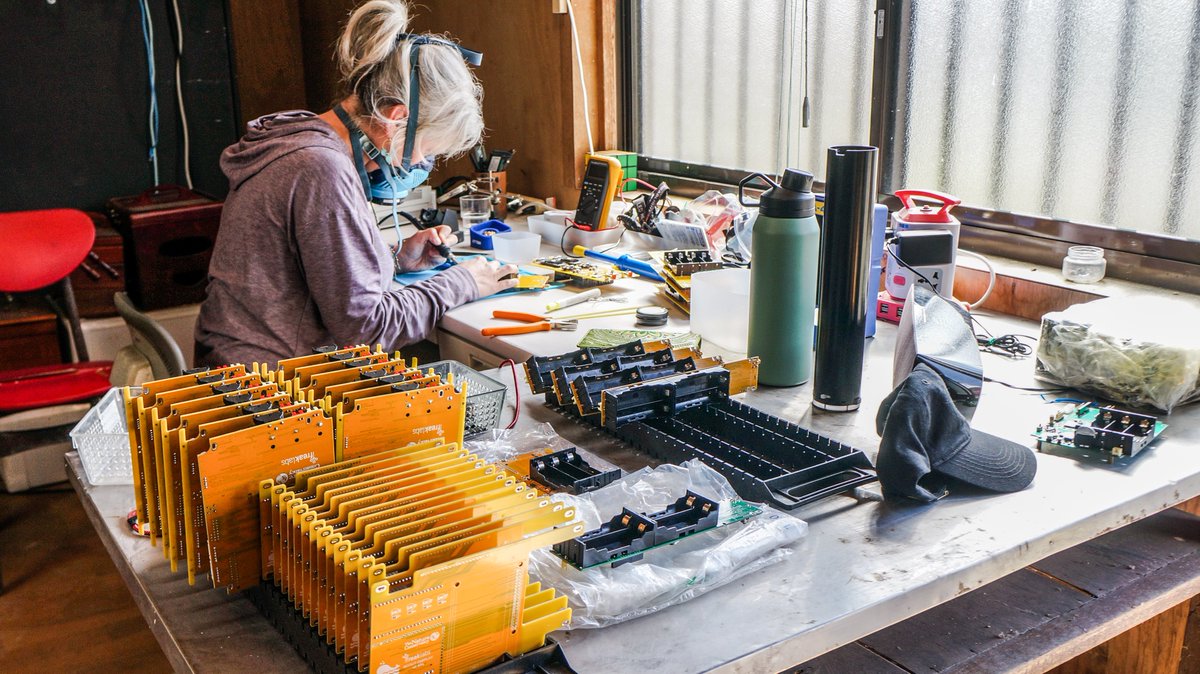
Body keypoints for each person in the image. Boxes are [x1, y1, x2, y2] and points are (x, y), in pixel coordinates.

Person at [194, 0, 517, 367]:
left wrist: (392, 259)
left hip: (237, 360)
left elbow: (303, 271)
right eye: (424, 150)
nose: (416, 165)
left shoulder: (302, 137)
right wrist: (463, 282)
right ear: (396, 120)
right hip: (263, 384)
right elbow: (367, 328)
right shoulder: (321, 168)